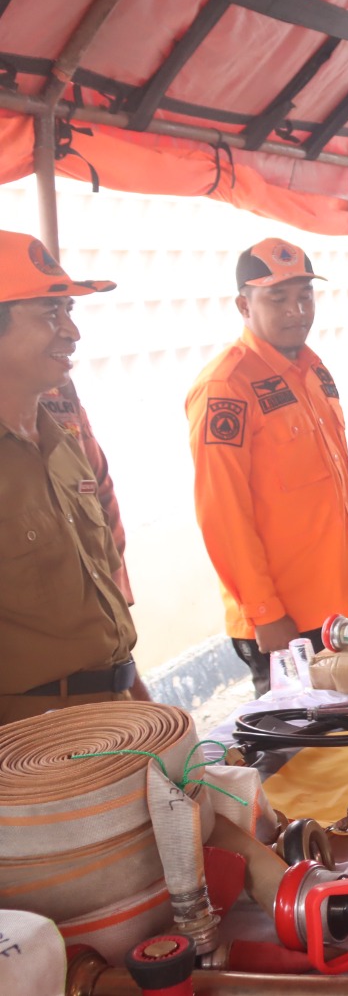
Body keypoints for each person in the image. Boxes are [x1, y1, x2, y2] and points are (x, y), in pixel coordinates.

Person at [186, 238, 348, 695]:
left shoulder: (314, 371)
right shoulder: (225, 387)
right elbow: (224, 514)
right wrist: (266, 614)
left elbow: (340, 487)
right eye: (278, 298)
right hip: (286, 623)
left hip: (344, 608)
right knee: (301, 758)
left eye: (304, 295)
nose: (297, 310)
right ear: (243, 304)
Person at [0, 231, 149, 724]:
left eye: (69, 312)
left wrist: (139, 695)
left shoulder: (62, 441)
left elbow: (100, 594)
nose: (72, 332)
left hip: (114, 709)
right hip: (32, 744)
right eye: (49, 314)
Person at [42, 378, 133, 602]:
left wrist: (115, 585)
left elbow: (99, 489)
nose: (73, 340)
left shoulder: (60, 389)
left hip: (98, 593)